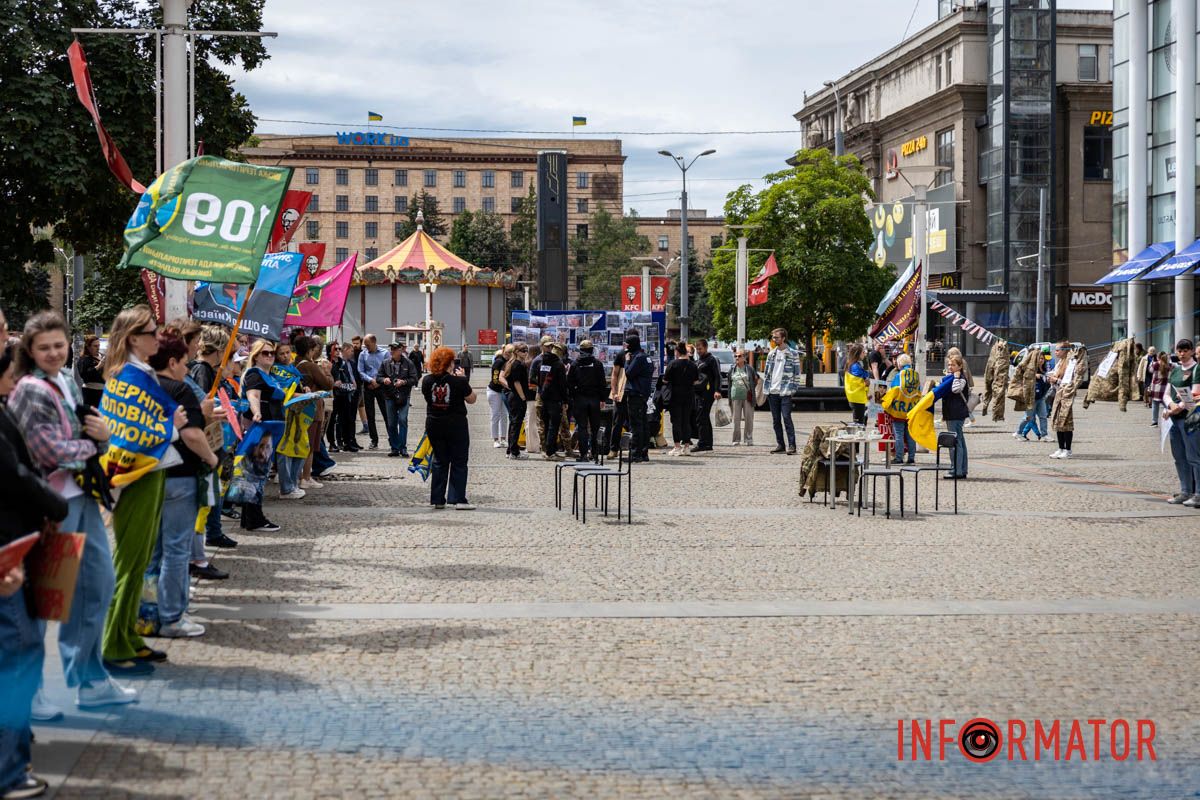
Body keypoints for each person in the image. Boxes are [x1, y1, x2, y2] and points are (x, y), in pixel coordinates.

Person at [8, 312, 139, 720]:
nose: (52, 353)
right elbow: (47, 449)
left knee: (96, 583)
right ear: (30, 351)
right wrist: (97, 445)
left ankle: (88, 678)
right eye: (43, 347)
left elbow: (78, 432)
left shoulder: (65, 379)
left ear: (68, 345)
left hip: (78, 495)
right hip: (50, 501)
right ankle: (33, 689)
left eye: (58, 345)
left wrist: (95, 439)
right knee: (50, 595)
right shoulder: (30, 388)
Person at [99, 306, 188, 675]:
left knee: (139, 562)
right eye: (152, 331)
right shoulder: (129, 375)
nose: (158, 336)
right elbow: (129, 432)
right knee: (129, 562)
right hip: (135, 472)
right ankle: (113, 644)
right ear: (134, 337)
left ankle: (129, 635)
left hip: (151, 469)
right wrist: (173, 426)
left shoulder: (141, 371)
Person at [0, 332, 69, 800]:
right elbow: (16, 472)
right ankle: (8, 769)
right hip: (10, 549)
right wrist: (54, 506)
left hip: (21, 542)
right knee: (20, 650)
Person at [146, 331, 221, 638]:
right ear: (173, 361)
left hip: (150, 476)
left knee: (154, 551)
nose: (188, 369)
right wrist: (211, 459)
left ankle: (148, 614)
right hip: (180, 477)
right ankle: (172, 617)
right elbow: (191, 434)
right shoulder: (179, 390)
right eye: (185, 362)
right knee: (176, 550)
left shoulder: (143, 388)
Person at [421, 347, 477, 509]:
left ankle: (438, 499)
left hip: (434, 422)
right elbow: (472, 399)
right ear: (449, 364)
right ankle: (458, 498)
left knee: (439, 460)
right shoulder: (458, 381)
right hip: (455, 423)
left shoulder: (427, 380)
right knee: (459, 460)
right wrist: (464, 379)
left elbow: (428, 399)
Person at [240, 338, 286, 531]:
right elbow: (253, 395)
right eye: (265, 353)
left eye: (271, 353)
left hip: (269, 429)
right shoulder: (255, 374)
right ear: (256, 356)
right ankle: (254, 519)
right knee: (256, 474)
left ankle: (250, 517)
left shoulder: (269, 376)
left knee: (259, 473)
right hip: (260, 428)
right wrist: (256, 411)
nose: (270, 356)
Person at [1162, 338, 1200, 506]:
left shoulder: (1196, 368)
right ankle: (1185, 491)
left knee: (1193, 457)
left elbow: (1195, 392)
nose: (1182, 353)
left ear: (1191, 351)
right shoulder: (1175, 370)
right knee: (1179, 456)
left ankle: (1198, 493)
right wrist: (1170, 405)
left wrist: (1177, 407)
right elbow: (1166, 392)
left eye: (1185, 350)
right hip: (1174, 419)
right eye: (1180, 350)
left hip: (1190, 417)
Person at [294, 336, 333, 486]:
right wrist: (327, 371)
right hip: (313, 408)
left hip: (298, 408)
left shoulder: (295, 363)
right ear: (310, 350)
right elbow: (327, 384)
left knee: (301, 444)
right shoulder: (310, 366)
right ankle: (306, 477)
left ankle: (300, 476)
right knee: (310, 445)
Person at [567, 339, 607, 461]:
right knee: (595, 428)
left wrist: (574, 395)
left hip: (580, 399)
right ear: (591, 350)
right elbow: (602, 383)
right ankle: (595, 454)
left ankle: (583, 455)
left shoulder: (575, 364)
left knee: (582, 427)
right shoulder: (597, 364)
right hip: (594, 399)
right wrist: (602, 399)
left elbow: (569, 383)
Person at [378, 340, 419, 457]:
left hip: (404, 396)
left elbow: (414, 379)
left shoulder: (408, 363)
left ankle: (403, 447)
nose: (392, 351)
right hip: (389, 396)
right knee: (391, 423)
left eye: (395, 349)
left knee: (402, 420)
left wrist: (404, 382)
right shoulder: (385, 363)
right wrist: (383, 380)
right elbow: (378, 377)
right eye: (391, 349)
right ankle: (394, 448)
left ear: (401, 350)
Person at [934, 353, 971, 479]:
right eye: (949, 364)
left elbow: (955, 389)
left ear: (960, 366)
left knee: (955, 442)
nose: (950, 367)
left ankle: (956, 470)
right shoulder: (953, 376)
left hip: (955, 414)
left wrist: (954, 378)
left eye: (953, 365)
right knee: (960, 440)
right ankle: (962, 469)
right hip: (954, 413)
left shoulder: (960, 378)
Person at [764, 328, 801, 454]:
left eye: (777, 337)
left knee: (786, 417)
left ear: (783, 338)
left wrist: (794, 388)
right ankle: (780, 444)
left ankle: (792, 445)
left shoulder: (793, 353)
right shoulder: (771, 354)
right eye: (773, 338)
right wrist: (767, 388)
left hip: (786, 391)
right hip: (772, 391)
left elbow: (797, 373)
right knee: (775, 420)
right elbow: (767, 372)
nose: (774, 340)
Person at [883, 354, 921, 464]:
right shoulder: (916, 375)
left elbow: (892, 391)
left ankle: (899, 457)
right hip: (911, 409)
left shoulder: (899, 375)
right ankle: (911, 457)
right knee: (910, 434)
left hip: (899, 409)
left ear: (900, 364)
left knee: (898, 434)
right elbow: (918, 390)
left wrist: (885, 403)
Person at [662, 341, 699, 455]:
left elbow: (665, 380)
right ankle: (687, 446)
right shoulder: (693, 365)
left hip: (675, 395)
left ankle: (677, 446)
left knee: (676, 421)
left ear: (677, 352)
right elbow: (696, 381)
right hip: (689, 395)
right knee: (686, 420)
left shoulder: (673, 364)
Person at [1047, 342, 1081, 459]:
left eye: (1057, 350)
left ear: (1065, 350)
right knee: (1057, 422)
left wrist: (1056, 380)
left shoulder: (1070, 363)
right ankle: (1061, 448)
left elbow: (1069, 382)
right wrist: (1051, 378)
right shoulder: (1059, 363)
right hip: (1058, 394)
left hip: (1066, 396)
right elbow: (1055, 376)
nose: (1055, 352)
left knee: (1066, 423)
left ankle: (1068, 449)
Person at [535, 339, 568, 460]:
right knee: (553, 426)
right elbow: (562, 384)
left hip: (543, 398)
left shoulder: (541, 362)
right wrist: (565, 400)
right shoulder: (558, 364)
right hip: (555, 399)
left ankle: (548, 449)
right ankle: (550, 452)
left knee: (547, 424)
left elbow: (538, 380)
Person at [623, 335, 653, 462]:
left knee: (635, 425)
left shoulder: (638, 358)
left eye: (627, 344)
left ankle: (636, 454)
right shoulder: (646, 357)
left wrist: (627, 361)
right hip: (643, 395)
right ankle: (644, 452)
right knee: (643, 424)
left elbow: (629, 373)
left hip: (636, 394)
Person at [356, 334, 387, 449]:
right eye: (365, 345)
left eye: (368, 345)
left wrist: (378, 382)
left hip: (382, 386)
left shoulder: (385, 353)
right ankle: (374, 440)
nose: (366, 347)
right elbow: (360, 371)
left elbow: (387, 370)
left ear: (374, 342)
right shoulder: (362, 354)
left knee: (386, 413)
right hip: (368, 387)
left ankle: (392, 439)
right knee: (370, 414)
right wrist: (370, 380)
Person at [500, 344, 530, 459]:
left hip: (513, 396)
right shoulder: (518, 365)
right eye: (523, 351)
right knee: (516, 424)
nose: (525, 352)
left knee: (513, 423)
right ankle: (514, 452)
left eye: (526, 350)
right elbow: (517, 382)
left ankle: (510, 450)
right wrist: (522, 396)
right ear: (516, 352)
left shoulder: (512, 363)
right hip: (517, 397)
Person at [691, 339, 722, 452]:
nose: (698, 351)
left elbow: (717, 376)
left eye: (700, 349)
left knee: (701, 417)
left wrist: (717, 390)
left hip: (707, 393)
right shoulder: (699, 360)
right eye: (697, 349)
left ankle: (702, 442)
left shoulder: (711, 360)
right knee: (703, 417)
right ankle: (708, 443)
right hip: (699, 392)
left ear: (706, 347)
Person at [331, 342, 361, 452]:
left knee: (350, 418)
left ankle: (350, 440)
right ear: (346, 350)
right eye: (351, 350)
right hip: (341, 394)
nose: (353, 353)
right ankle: (340, 441)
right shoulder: (339, 363)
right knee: (341, 418)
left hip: (352, 392)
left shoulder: (351, 363)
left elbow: (353, 376)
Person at [1013, 350, 1049, 441]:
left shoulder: (1044, 369)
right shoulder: (1030, 369)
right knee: (1028, 417)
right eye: (1039, 358)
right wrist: (1033, 375)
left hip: (1041, 397)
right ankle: (1018, 433)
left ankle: (1044, 435)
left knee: (1043, 416)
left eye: (1042, 359)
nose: (1041, 360)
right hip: (1031, 398)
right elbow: (1021, 374)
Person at [728, 349, 758, 446]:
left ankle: (748, 439)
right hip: (735, 397)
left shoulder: (749, 369)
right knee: (736, 419)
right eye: (736, 356)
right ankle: (736, 439)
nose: (737, 358)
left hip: (747, 397)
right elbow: (729, 383)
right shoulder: (732, 369)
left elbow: (755, 380)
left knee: (749, 419)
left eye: (739, 356)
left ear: (744, 358)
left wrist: (751, 391)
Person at [486, 345, 510, 449]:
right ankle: (495, 439)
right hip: (494, 391)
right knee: (495, 415)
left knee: (504, 415)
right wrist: (506, 385)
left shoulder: (508, 362)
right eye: (509, 352)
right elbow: (495, 378)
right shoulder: (499, 362)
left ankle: (503, 439)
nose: (511, 355)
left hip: (502, 391)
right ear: (505, 352)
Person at [843, 342, 870, 427]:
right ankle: (856, 439)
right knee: (859, 424)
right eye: (863, 352)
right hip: (857, 398)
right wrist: (866, 379)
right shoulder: (855, 366)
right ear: (857, 353)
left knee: (860, 421)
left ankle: (857, 439)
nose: (864, 354)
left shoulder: (852, 364)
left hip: (855, 397)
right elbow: (863, 379)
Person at [74, 334, 105, 408]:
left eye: (99, 345)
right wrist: (98, 366)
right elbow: (84, 376)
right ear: (88, 347)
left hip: (104, 391)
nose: (98, 348)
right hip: (91, 392)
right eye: (95, 346)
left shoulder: (101, 356)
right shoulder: (84, 359)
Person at [1148, 350, 1170, 427]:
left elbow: (1150, 370)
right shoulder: (1168, 365)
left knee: (1155, 405)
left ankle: (1154, 422)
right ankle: (1169, 419)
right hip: (1165, 388)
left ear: (1158, 357)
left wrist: (1152, 362)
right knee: (1167, 404)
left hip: (1156, 388)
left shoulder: (1155, 364)